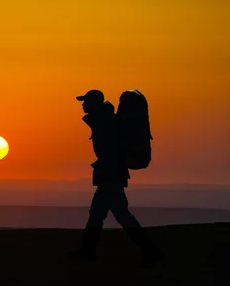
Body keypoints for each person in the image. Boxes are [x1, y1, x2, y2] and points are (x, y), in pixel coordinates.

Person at [68, 89, 163, 267]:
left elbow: (112, 150)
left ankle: (150, 251)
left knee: (121, 215)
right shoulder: (105, 119)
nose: (83, 105)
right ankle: (87, 251)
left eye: (86, 101)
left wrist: (108, 166)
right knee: (97, 214)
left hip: (111, 175)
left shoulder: (106, 121)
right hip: (108, 175)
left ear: (95, 103)